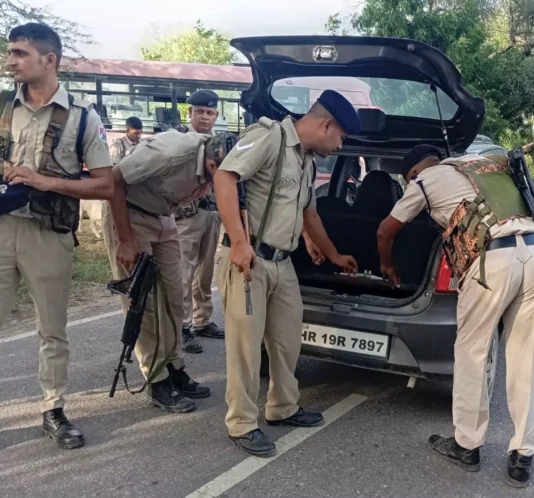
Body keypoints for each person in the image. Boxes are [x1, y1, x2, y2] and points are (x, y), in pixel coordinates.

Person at [376, 145, 534, 487]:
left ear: (414, 172)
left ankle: (466, 446)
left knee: (473, 353)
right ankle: (523, 457)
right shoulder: (493, 162)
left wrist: (387, 264)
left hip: (491, 261)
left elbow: (385, 231)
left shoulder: (424, 181)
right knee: (531, 357)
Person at [0, 23, 114, 449]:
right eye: (10, 53)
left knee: (52, 330)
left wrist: (46, 182)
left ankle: (53, 410)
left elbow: (106, 186)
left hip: (48, 235)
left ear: (48, 60)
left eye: (19, 53)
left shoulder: (83, 117)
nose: (10, 61)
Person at [214, 90, 359, 457]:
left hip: (283, 263)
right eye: (340, 136)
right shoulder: (269, 138)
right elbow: (225, 178)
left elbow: (310, 213)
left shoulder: (306, 159)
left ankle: (282, 407)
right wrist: (238, 240)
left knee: (287, 340)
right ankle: (242, 423)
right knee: (246, 348)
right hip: (249, 262)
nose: (340, 146)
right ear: (325, 124)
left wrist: (333, 253)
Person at [102, 130, 226, 413]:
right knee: (142, 303)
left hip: (163, 217)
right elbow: (114, 182)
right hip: (130, 215)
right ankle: (157, 380)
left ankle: (174, 367)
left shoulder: (215, 163)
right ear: (211, 165)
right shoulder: (171, 153)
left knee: (174, 296)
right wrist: (126, 240)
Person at [174, 90, 224, 356]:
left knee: (205, 272)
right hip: (186, 216)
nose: (205, 116)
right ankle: (181, 327)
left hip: (211, 213)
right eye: (200, 112)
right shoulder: (179, 141)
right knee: (183, 273)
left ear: (216, 115)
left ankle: (201, 320)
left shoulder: (218, 141)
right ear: (190, 113)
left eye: (210, 112)